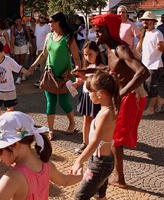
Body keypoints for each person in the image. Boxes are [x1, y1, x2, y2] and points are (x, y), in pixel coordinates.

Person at [73, 13, 150, 188]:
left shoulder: (121, 49)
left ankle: (120, 179)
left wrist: (121, 92)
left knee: (116, 139)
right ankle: (116, 176)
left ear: (109, 31)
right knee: (113, 137)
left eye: (100, 31)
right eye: (96, 31)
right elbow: (109, 68)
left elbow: (143, 72)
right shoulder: (109, 51)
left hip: (131, 98)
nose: (96, 34)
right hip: (123, 97)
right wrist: (87, 72)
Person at [0, 111, 82, 200]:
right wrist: (81, 176)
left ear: (13, 145)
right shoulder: (47, 165)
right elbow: (65, 181)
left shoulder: (12, 178)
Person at [29, 12, 82, 140]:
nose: (49, 23)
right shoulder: (49, 36)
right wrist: (33, 65)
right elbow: (43, 55)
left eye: (51, 21)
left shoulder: (68, 37)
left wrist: (78, 70)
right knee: (50, 102)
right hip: (50, 75)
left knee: (64, 102)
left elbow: (76, 58)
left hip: (65, 76)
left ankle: (72, 123)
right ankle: (51, 130)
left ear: (58, 22)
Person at [72, 70, 120, 200]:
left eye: (90, 92)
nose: (88, 94)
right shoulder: (107, 109)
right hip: (102, 162)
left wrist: (78, 161)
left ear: (101, 94)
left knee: (79, 196)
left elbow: (94, 143)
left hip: (100, 165)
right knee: (100, 196)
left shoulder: (106, 114)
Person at [73, 41, 102, 154]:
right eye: (85, 54)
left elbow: (95, 83)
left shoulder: (100, 67)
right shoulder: (87, 66)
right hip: (86, 95)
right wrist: (77, 83)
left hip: (96, 97)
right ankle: (85, 143)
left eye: (90, 54)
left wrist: (83, 78)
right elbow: (83, 80)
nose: (87, 57)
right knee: (86, 120)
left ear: (97, 53)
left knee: (96, 121)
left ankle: (95, 143)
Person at [137, 11, 164, 115]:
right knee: (147, 88)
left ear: (153, 21)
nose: (144, 22)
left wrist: (160, 47)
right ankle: (157, 106)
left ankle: (151, 109)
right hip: (145, 65)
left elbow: (162, 48)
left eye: (147, 20)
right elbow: (138, 49)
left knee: (152, 89)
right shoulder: (145, 33)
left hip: (155, 66)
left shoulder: (158, 33)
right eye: (143, 20)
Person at [11, 16, 32, 84]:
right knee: (17, 61)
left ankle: (19, 77)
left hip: (24, 45)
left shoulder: (25, 27)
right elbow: (12, 37)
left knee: (22, 61)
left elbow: (29, 37)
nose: (18, 22)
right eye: (17, 21)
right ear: (15, 22)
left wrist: (31, 45)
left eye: (20, 20)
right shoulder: (13, 28)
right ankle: (23, 73)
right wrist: (12, 47)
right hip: (16, 45)